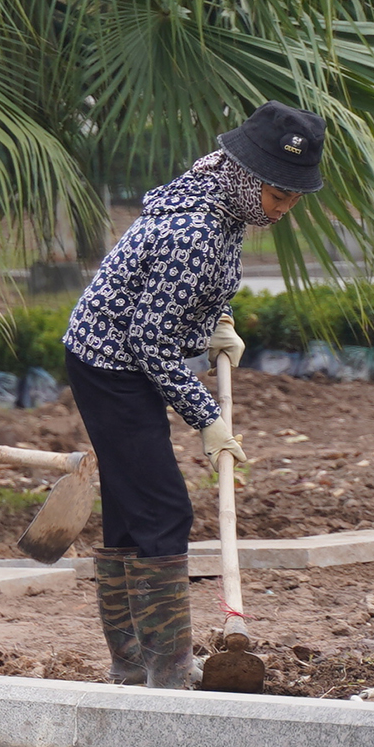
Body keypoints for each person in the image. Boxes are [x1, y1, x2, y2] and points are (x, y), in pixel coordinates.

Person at [62, 101, 324, 689]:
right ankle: (169, 667)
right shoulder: (197, 228)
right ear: (246, 175)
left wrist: (216, 321)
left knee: (134, 511)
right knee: (163, 510)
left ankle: (134, 663)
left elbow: (190, 286)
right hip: (112, 363)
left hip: (122, 353)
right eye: (279, 197)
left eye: (294, 198)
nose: (285, 210)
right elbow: (149, 341)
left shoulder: (218, 192)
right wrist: (206, 418)